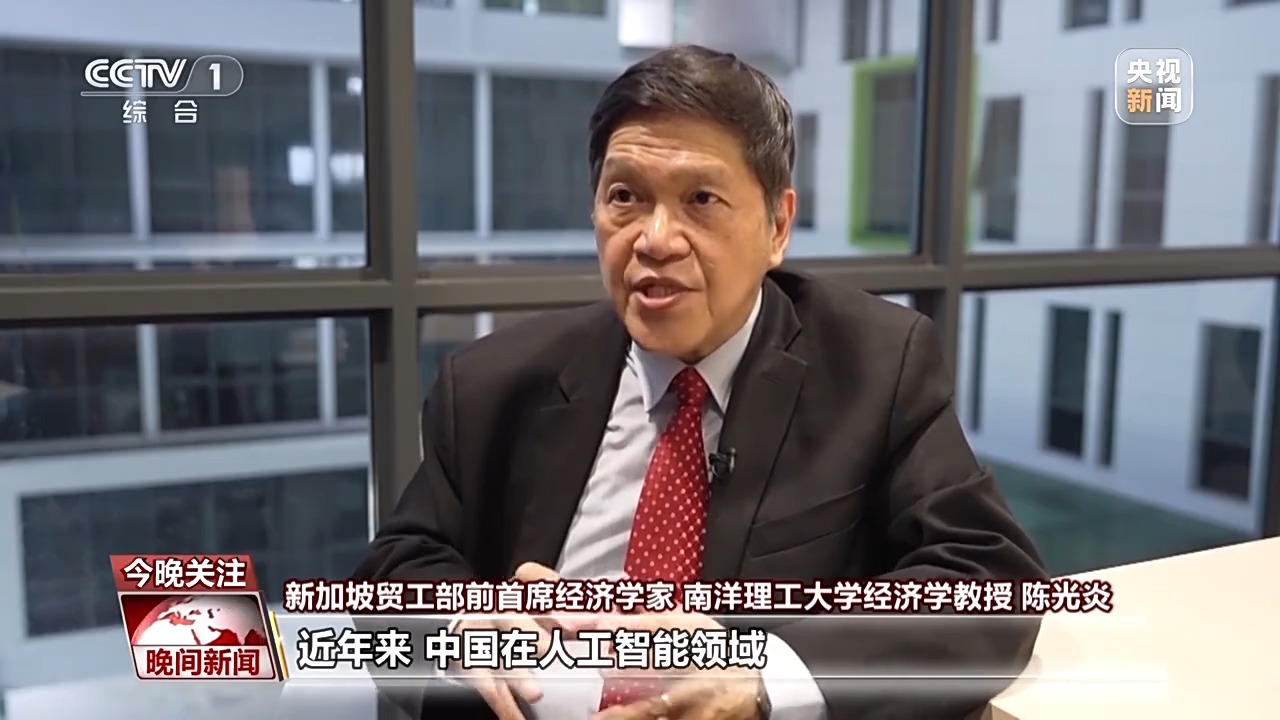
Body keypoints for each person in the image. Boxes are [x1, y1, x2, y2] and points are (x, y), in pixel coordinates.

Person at [354, 44, 1046, 720]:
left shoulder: (874, 363)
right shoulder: (492, 382)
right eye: (625, 196)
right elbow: (394, 569)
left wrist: (764, 675)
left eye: (701, 199)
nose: (656, 239)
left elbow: (991, 581)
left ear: (777, 226)